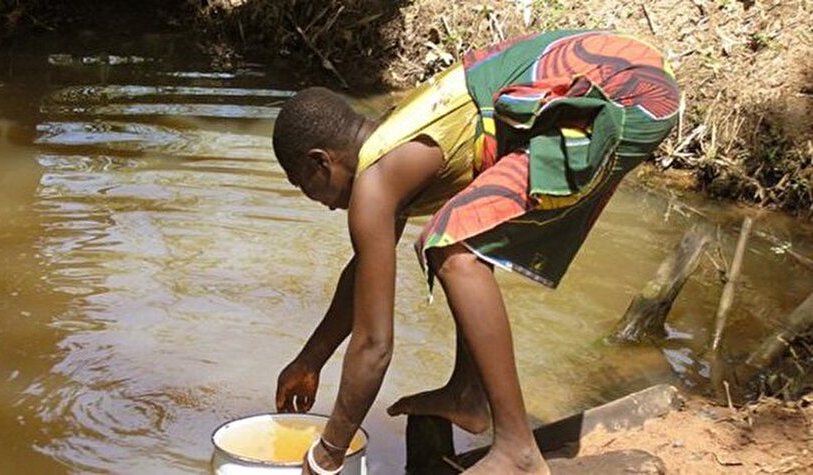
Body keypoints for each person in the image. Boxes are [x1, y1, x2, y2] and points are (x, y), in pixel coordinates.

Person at [271, 30, 680, 474]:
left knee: (452, 246)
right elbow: (365, 274)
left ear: (320, 162)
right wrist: (310, 359)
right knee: (458, 231)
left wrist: (327, 454)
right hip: (627, 75)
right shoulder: (393, 145)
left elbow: (374, 344)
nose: (318, 202)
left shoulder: (377, 180)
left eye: (303, 186)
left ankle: (517, 451)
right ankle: (468, 395)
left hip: (625, 92)